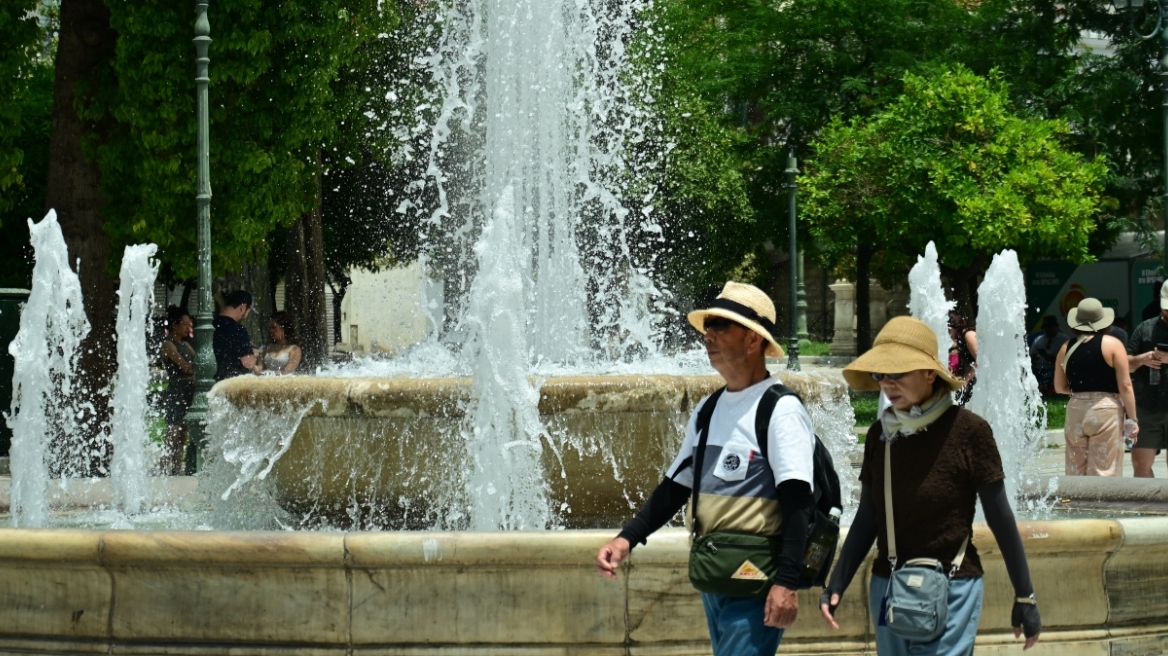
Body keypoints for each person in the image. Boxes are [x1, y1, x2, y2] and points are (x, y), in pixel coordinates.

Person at [595, 281, 816, 656]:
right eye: (707, 325)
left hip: (756, 578)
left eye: (721, 325)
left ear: (752, 341)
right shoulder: (709, 409)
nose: (708, 334)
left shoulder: (780, 410)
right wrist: (626, 538)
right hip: (714, 575)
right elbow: (676, 487)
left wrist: (787, 583)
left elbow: (799, 503)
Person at [820, 316, 1041, 654]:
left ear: (929, 373)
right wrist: (837, 581)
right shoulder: (881, 434)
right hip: (889, 585)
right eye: (881, 375)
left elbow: (1001, 518)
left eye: (898, 373)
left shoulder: (969, 431)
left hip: (953, 585)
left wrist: (1025, 594)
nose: (887, 384)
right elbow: (868, 516)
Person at [1054, 299, 1137, 476]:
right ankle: (1100, 505)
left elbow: (1059, 387)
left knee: (1075, 470)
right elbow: (1125, 385)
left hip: (1075, 409)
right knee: (1104, 471)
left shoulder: (1065, 347)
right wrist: (1133, 419)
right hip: (1105, 410)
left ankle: (1076, 502)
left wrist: (1083, 393)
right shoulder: (1113, 344)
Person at [1127, 281, 1168, 477]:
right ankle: (1148, 507)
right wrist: (1142, 359)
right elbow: (1125, 363)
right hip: (1148, 405)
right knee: (1140, 464)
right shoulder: (1145, 328)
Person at [158, 306, 196, 475]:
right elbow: (185, 366)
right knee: (172, 432)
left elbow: (197, 365)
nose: (188, 328)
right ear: (174, 325)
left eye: (190, 324)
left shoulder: (186, 345)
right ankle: (165, 468)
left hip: (188, 391)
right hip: (177, 390)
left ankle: (176, 469)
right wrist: (195, 369)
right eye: (185, 324)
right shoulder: (168, 345)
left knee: (182, 435)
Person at [213, 289, 258, 381]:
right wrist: (255, 354)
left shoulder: (210, 324)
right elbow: (248, 363)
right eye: (248, 312)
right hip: (231, 384)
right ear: (243, 308)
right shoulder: (238, 330)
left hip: (212, 380)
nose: (246, 317)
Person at [1030, 316, 1068, 396]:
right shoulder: (1038, 340)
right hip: (1037, 368)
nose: (1048, 330)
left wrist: (1047, 356)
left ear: (1056, 327)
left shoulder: (1064, 340)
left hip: (1053, 369)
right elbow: (1031, 355)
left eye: (1050, 328)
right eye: (1046, 328)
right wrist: (1033, 358)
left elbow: (1065, 361)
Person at [948, 311, 978, 405]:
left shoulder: (968, 335)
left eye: (949, 330)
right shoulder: (961, 341)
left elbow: (982, 360)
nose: (948, 334)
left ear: (955, 326)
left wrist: (967, 378)